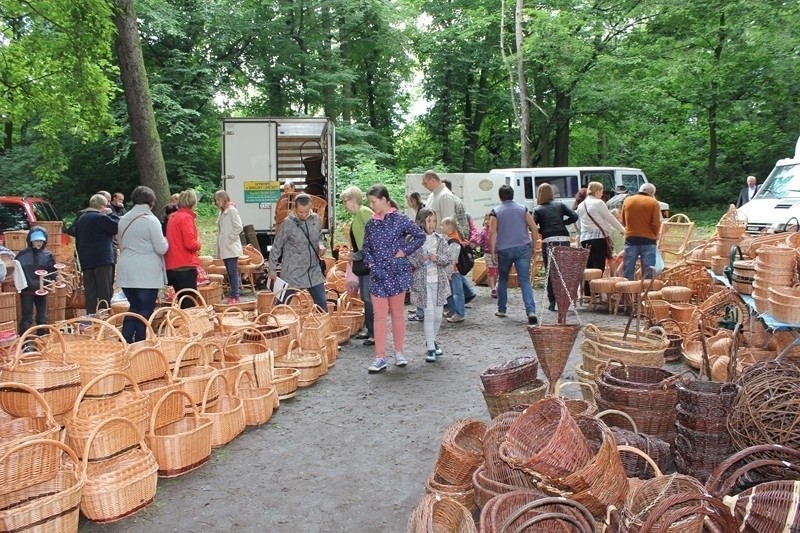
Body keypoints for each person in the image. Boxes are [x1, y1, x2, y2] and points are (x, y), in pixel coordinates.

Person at [362, 185, 425, 372]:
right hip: (378, 275)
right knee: (379, 316)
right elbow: (365, 248)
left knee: (397, 314)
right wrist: (371, 263)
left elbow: (419, 236)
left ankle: (399, 353)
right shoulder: (371, 224)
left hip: (397, 273)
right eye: (370, 202)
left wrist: (403, 251)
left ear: (384, 200)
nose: (372, 205)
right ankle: (380, 357)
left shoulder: (400, 219)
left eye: (373, 202)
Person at [117, 186, 169, 343]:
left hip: (126, 269)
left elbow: (121, 244)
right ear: (151, 201)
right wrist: (166, 240)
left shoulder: (123, 219)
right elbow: (161, 247)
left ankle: (125, 341)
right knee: (145, 309)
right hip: (146, 271)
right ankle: (141, 343)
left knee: (134, 307)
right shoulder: (151, 220)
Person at [488, 185, 540, 324]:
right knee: (524, 280)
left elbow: (492, 233)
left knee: (503, 279)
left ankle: (502, 309)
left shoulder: (496, 212)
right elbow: (534, 228)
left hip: (504, 250)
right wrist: (534, 245)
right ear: (512, 195)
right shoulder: (523, 209)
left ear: (500, 196)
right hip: (523, 248)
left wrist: (492, 251)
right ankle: (531, 311)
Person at [268, 193, 328, 311]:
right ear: (295, 208)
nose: (304, 215)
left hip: (313, 271)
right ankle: (273, 324)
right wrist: (272, 269)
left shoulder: (315, 219)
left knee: (322, 305)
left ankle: (322, 327)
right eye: (301, 212)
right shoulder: (287, 223)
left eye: (306, 212)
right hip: (292, 272)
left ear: (310, 207)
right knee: (281, 305)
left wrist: (321, 247)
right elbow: (276, 247)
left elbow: (319, 238)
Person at [409, 208, 451, 362]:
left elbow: (447, 258)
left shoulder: (441, 239)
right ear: (421, 222)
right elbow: (411, 260)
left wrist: (436, 258)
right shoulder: (416, 241)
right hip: (423, 283)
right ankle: (431, 349)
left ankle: (431, 340)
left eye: (434, 221)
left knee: (439, 316)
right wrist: (419, 260)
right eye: (428, 221)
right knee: (430, 315)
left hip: (439, 283)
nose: (432, 224)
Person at [533, 183, 579, 312]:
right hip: (564, 239)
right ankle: (564, 299)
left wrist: (542, 229)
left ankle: (552, 301)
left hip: (549, 240)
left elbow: (532, 225)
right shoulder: (560, 205)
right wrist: (563, 223)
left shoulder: (538, 209)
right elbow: (574, 216)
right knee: (564, 269)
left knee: (550, 271)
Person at [72, 193, 119, 315]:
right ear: (103, 206)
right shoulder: (99, 217)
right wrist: (111, 214)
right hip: (102, 259)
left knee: (90, 291)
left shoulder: (81, 219)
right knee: (104, 291)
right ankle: (105, 316)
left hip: (86, 260)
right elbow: (116, 226)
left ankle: (90, 316)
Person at [340, 186, 375, 346]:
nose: (344, 205)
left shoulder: (364, 212)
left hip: (369, 261)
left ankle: (374, 333)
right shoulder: (358, 215)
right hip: (363, 261)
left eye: (345, 201)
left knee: (369, 298)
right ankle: (369, 329)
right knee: (365, 297)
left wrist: (357, 254)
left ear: (353, 200)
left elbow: (374, 235)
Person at [576, 181, 626, 289]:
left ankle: (588, 291)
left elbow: (578, 224)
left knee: (588, 266)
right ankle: (597, 290)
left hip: (585, 238)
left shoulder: (581, 205)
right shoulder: (598, 203)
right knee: (598, 266)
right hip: (598, 238)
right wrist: (622, 230)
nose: (602, 194)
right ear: (598, 191)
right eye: (601, 191)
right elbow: (610, 218)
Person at [165, 189, 202, 307]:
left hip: (173, 265)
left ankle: (182, 323)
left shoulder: (173, 217)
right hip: (184, 266)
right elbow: (190, 244)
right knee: (189, 303)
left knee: (183, 301)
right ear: (193, 203)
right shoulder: (186, 217)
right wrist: (199, 243)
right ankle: (188, 325)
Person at [15, 226, 55, 335]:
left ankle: (42, 341)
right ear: (31, 240)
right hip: (26, 291)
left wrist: (55, 279)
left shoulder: (48, 255)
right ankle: (23, 342)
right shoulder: (21, 255)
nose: (39, 243)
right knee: (27, 317)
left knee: (42, 317)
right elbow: (15, 271)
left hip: (42, 290)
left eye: (41, 240)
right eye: (36, 240)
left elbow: (53, 272)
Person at [621, 182, 662, 280]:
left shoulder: (627, 200)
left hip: (630, 239)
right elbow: (656, 223)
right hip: (648, 240)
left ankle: (627, 292)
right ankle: (646, 292)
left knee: (628, 269)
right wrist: (656, 234)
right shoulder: (653, 203)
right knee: (648, 270)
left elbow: (623, 220)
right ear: (651, 193)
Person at [214, 190, 244, 304]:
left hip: (231, 247)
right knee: (230, 272)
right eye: (216, 200)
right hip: (225, 247)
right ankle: (233, 295)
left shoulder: (231, 211)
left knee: (232, 272)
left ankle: (235, 296)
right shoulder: (222, 212)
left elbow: (239, 227)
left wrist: (230, 238)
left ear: (224, 199)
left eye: (218, 199)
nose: (217, 202)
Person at [441, 217, 469, 323]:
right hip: (451, 271)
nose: (441, 227)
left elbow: (453, 259)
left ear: (448, 227)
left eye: (442, 225)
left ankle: (459, 313)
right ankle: (453, 310)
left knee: (457, 292)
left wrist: (448, 271)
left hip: (454, 271)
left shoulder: (453, 241)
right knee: (450, 291)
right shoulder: (450, 238)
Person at [472, 213, 498, 298]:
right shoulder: (484, 231)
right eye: (486, 219)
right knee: (491, 271)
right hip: (488, 253)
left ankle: (496, 285)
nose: (487, 221)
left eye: (489, 219)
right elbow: (480, 241)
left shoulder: (497, 230)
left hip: (497, 253)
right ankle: (493, 288)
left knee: (496, 271)